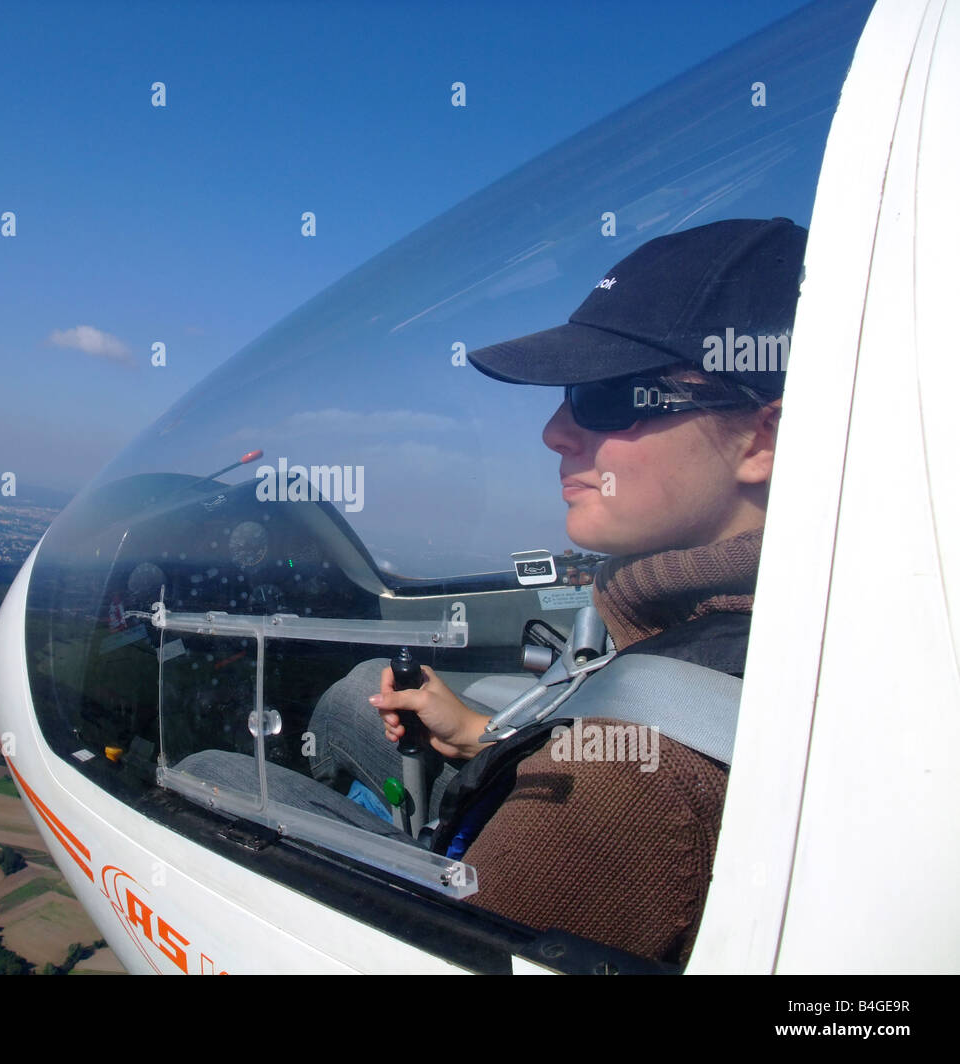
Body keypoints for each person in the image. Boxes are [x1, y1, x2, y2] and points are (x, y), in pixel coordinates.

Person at [307, 216, 806, 964]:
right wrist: (479, 737)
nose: (553, 431)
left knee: (213, 778)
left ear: (762, 440)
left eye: (608, 398)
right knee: (355, 691)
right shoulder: (780, 609)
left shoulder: (631, 787)